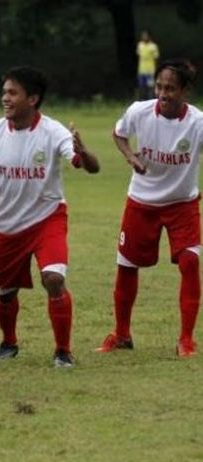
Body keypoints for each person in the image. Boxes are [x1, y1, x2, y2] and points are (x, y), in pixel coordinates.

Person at [0, 66, 100, 368]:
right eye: (4, 92)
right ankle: (8, 343)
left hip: (47, 217)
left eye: (13, 93)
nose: (5, 98)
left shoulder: (53, 132)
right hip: (8, 224)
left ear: (33, 99)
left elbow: (88, 166)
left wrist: (85, 152)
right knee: (5, 292)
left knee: (53, 278)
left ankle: (63, 351)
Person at [97, 59, 203, 357]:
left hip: (183, 205)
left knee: (190, 263)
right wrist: (130, 155)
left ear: (185, 91)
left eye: (170, 88)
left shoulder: (197, 123)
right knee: (127, 265)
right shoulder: (138, 112)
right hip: (142, 203)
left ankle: (186, 339)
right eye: (159, 86)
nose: (163, 93)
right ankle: (122, 335)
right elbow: (118, 134)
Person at [137, 30, 160, 100]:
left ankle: (151, 101)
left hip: (150, 71)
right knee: (142, 87)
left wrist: (156, 69)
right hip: (141, 70)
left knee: (151, 87)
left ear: (149, 36)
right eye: (143, 35)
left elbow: (156, 58)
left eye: (145, 35)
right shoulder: (140, 45)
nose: (144, 37)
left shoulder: (153, 46)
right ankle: (142, 101)